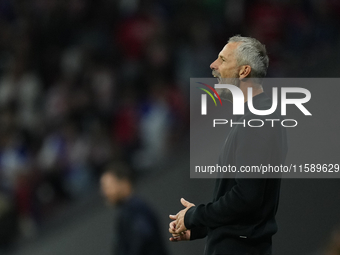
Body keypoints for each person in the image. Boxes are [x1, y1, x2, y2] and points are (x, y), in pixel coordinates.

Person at [169, 35, 288, 255]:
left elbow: (247, 196)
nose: (213, 65)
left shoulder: (257, 121)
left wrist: (196, 215)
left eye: (223, 60)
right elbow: (246, 204)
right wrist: (199, 227)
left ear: (243, 72)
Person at [100, 161, 168, 255]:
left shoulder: (134, 210)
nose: (104, 193)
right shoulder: (131, 210)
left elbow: (143, 236)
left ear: (124, 183)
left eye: (107, 186)